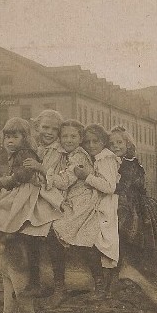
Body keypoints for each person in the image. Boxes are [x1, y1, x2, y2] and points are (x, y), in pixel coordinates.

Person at [0, 117, 58, 297]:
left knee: (28, 230)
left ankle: (35, 279)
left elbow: (25, 174)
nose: (10, 141)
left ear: (24, 137)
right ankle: (8, 231)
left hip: (30, 193)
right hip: (24, 192)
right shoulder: (18, 153)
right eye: (7, 137)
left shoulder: (25, 153)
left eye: (14, 136)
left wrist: (9, 179)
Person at [52, 122, 119, 297]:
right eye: (65, 136)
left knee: (72, 233)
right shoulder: (80, 155)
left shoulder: (91, 158)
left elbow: (66, 181)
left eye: (73, 136)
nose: (91, 146)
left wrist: (46, 175)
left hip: (91, 202)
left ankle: (96, 281)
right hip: (83, 199)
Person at [23, 110, 68, 297]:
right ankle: (34, 281)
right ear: (37, 127)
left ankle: (60, 286)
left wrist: (40, 169)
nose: (49, 132)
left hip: (55, 199)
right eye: (45, 127)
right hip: (38, 198)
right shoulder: (37, 148)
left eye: (54, 129)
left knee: (53, 236)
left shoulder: (60, 152)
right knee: (28, 235)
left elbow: (59, 179)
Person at [109, 127, 157, 252]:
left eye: (119, 142)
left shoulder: (129, 163)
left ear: (128, 144)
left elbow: (124, 186)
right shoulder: (116, 161)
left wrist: (106, 186)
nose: (115, 146)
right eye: (112, 144)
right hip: (126, 199)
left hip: (133, 203)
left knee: (128, 231)